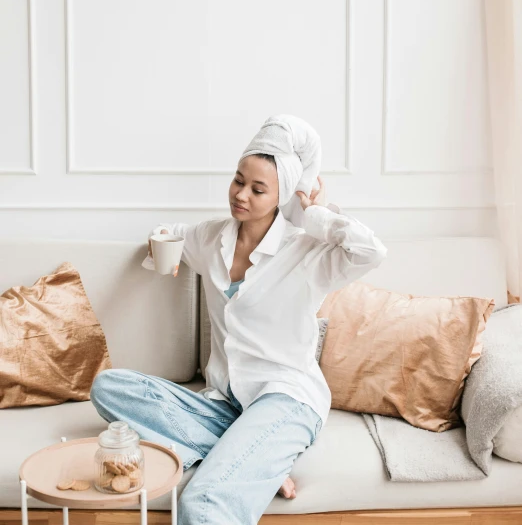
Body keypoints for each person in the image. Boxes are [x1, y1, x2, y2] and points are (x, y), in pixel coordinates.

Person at [90, 114, 387, 524]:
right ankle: (257, 464)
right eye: (238, 180)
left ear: (281, 196)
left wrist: (311, 214)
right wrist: (164, 249)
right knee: (109, 386)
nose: (241, 194)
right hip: (226, 403)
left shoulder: (306, 252)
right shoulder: (212, 238)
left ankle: (252, 460)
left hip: (286, 398)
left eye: (258, 189)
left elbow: (371, 252)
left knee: (202, 505)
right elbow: (169, 230)